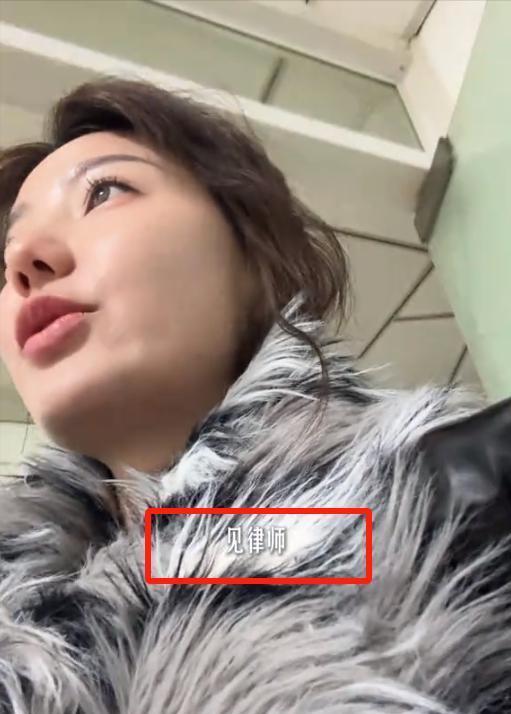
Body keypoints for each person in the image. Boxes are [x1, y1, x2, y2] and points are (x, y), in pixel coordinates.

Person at [0, 77, 509, 714]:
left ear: (252, 249)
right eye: (4, 257)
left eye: (103, 192)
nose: (23, 262)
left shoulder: (464, 501)